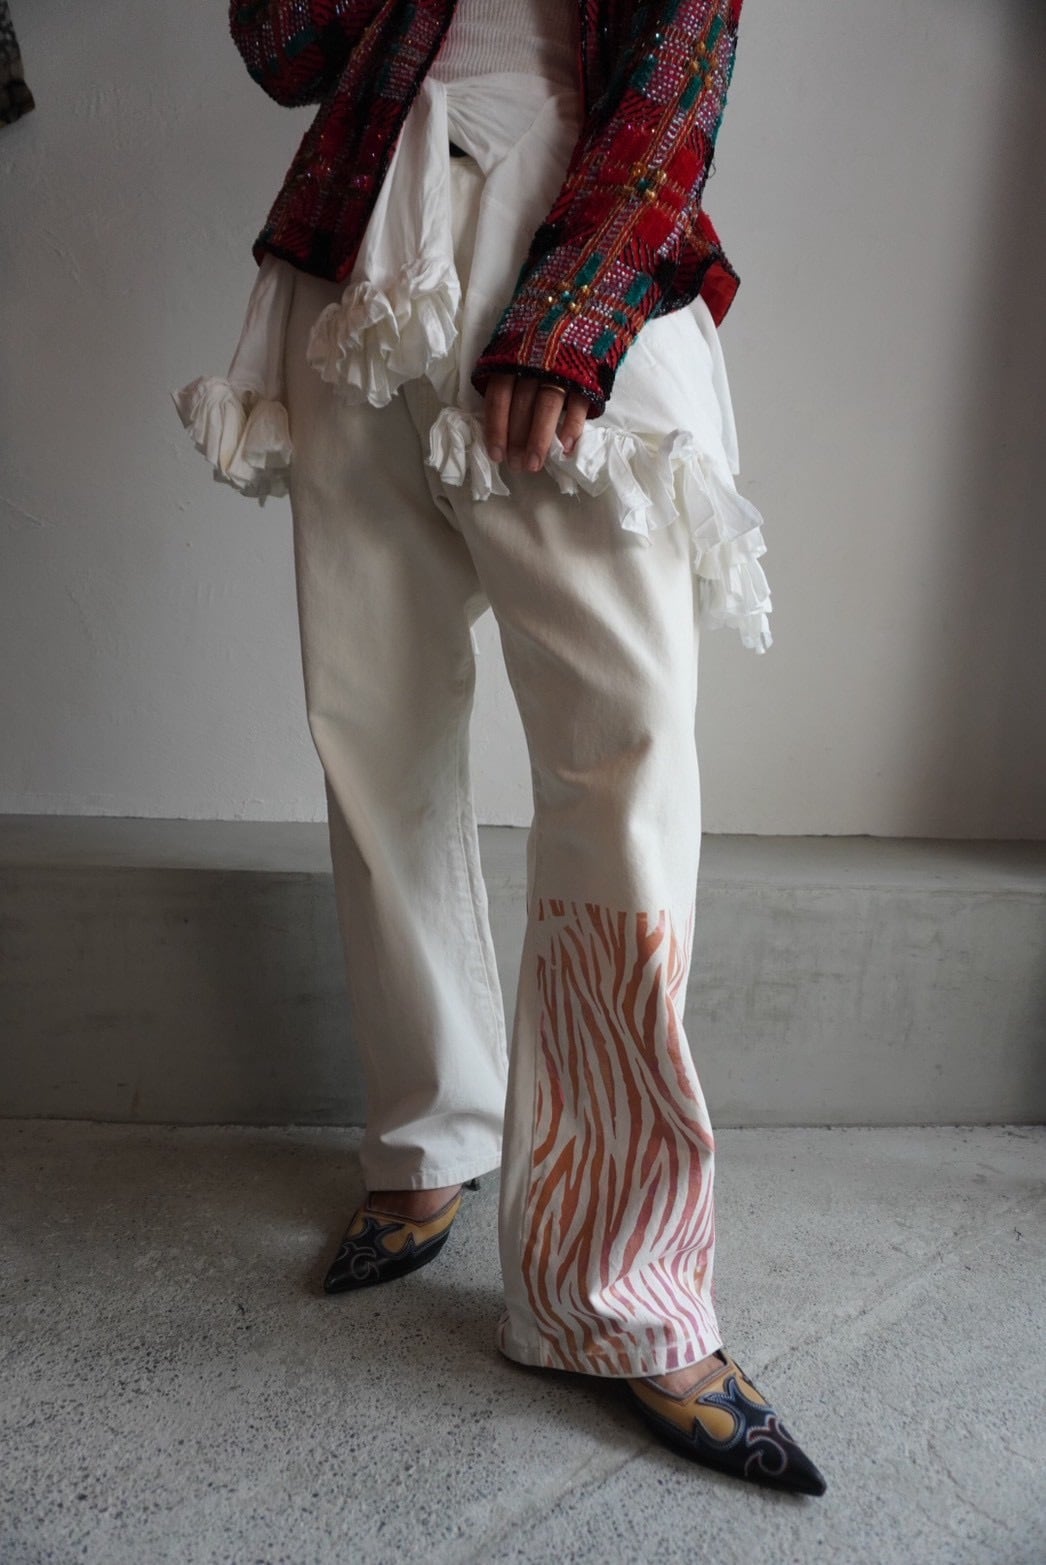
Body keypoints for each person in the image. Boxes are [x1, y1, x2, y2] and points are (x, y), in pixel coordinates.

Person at [173, 0, 826, 1497]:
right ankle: (429, 1133)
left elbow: (677, 60)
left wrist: (578, 304)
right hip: (358, 247)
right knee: (371, 720)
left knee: (621, 755)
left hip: (556, 217)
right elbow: (283, 46)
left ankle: (619, 1284)